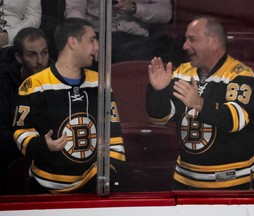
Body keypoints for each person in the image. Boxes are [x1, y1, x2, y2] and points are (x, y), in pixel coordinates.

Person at [146, 15, 254, 190]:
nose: (185, 46)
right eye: (186, 39)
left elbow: (235, 120)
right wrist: (158, 92)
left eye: (192, 40)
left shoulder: (241, 75)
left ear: (213, 42)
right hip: (185, 181)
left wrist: (199, 104)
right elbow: (160, 118)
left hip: (232, 184)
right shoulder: (182, 72)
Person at [12, 17, 126, 194]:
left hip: (92, 187)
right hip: (45, 189)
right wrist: (42, 145)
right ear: (72, 42)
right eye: (92, 39)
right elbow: (21, 132)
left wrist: (109, 173)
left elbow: (114, 136)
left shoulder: (100, 82)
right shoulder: (34, 85)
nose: (97, 47)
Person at [0, 27, 50, 195]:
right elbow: (2, 131)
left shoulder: (57, 76)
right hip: (12, 150)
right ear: (19, 57)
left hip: (50, 148)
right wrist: (33, 146)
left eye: (44, 53)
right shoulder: (4, 81)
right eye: (32, 55)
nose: (41, 61)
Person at [64, 0, 172, 63]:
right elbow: (74, 9)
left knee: (147, 57)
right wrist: (86, 37)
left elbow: (165, 13)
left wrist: (134, 8)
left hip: (136, 39)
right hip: (96, 34)